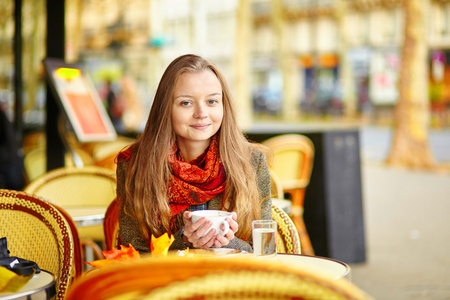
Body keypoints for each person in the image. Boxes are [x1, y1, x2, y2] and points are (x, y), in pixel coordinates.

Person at [116, 54, 272, 253]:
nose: (201, 113)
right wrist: (184, 240)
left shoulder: (252, 162)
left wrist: (225, 241)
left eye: (212, 101)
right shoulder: (134, 165)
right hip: (168, 281)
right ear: (166, 108)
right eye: (186, 103)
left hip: (236, 280)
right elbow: (133, 250)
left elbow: (265, 250)